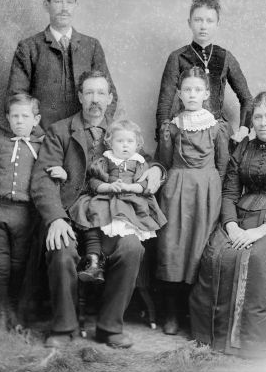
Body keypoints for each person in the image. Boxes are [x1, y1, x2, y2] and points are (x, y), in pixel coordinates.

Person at [31, 70, 165, 349]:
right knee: (61, 249)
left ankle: (109, 327)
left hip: (109, 218)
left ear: (110, 98)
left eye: (101, 93)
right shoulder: (59, 131)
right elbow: (42, 181)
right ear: (80, 96)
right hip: (69, 216)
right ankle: (64, 326)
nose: (95, 100)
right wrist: (55, 218)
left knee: (131, 248)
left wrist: (156, 171)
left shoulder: (120, 130)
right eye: (89, 93)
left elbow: (147, 160)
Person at [190, 92, 266, 358]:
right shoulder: (244, 146)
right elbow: (230, 193)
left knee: (255, 258)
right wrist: (232, 226)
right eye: (258, 117)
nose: (263, 122)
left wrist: (261, 230)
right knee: (217, 254)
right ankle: (213, 338)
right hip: (241, 217)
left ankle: (254, 343)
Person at [0, 94, 66, 333]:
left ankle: (14, 310)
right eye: (14, 116)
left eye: (25, 116)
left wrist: (62, 172)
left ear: (36, 119)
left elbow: (51, 176)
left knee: (19, 267)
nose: (19, 121)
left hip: (26, 217)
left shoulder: (43, 147)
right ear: (7, 118)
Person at [156, 67, 229, 335]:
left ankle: (193, 313)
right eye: (187, 90)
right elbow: (163, 162)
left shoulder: (216, 128)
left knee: (199, 247)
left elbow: (222, 166)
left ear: (207, 94)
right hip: (176, 190)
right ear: (179, 93)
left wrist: (212, 191)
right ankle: (172, 311)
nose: (192, 94)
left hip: (206, 191)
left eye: (198, 90)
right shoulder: (172, 127)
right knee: (173, 247)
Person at [7, 0, 118, 130]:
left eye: (70, 2)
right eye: (58, 1)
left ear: (76, 6)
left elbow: (110, 95)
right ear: (46, 5)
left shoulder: (91, 45)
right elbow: (16, 97)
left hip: (84, 137)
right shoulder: (28, 47)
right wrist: (37, 134)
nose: (65, 8)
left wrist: (96, 129)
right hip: (44, 137)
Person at [69, 119, 167, 283]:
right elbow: (93, 182)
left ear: (137, 145)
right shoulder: (105, 161)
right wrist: (108, 186)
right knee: (91, 214)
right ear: (109, 143)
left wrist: (131, 188)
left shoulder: (140, 163)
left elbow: (144, 185)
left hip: (129, 201)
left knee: (126, 237)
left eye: (130, 141)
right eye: (120, 141)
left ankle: (111, 265)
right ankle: (93, 260)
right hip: (106, 198)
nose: (125, 145)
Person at [156, 0, 252, 143]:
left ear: (217, 24)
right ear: (189, 23)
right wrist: (164, 137)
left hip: (217, 134)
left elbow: (247, 99)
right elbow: (165, 103)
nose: (203, 26)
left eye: (209, 21)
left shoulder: (226, 57)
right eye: (198, 20)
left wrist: (245, 128)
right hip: (185, 132)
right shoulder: (177, 57)